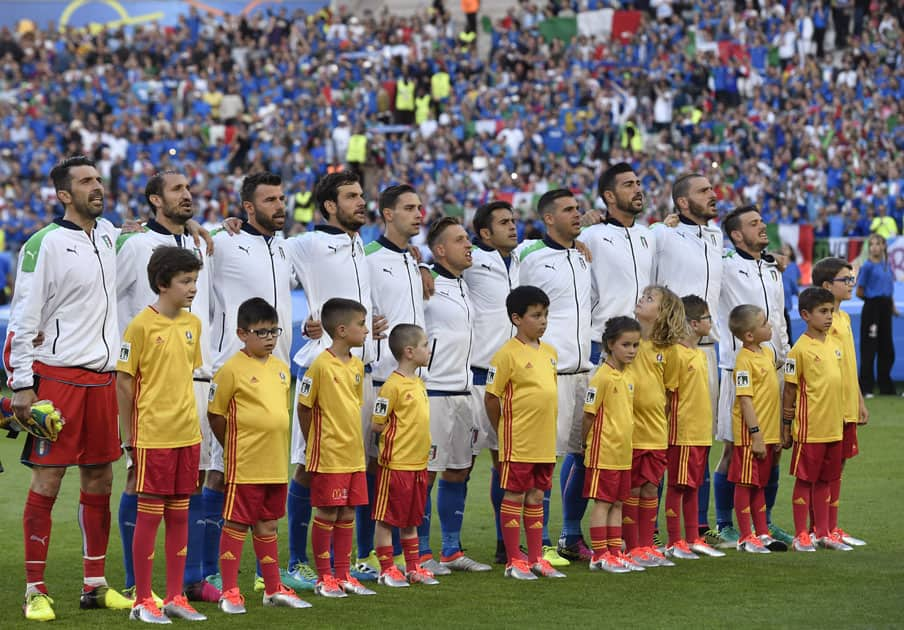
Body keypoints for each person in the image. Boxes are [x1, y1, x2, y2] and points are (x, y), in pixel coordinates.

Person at [5, 156, 131, 622]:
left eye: (97, 179)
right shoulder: (44, 244)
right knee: (48, 481)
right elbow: (23, 319)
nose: (96, 187)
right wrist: (21, 386)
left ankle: (94, 585)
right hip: (56, 380)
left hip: (101, 381)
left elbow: (140, 233)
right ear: (64, 195)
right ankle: (34, 590)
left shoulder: (107, 234)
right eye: (85, 182)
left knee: (101, 478)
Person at [115, 170, 219, 604]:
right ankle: (132, 580)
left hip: (197, 375)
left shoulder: (200, 242)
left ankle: (190, 580)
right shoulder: (134, 244)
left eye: (189, 188)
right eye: (177, 189)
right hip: (150, 383)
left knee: (192, 481)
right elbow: (105, 285)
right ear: (154, 200)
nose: (187, 195)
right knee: (138, 482)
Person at [286, 171, 385, 585]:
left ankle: (353, 562)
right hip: (321, 368)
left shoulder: (359, 242)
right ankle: (295, 562)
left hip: (358, 371)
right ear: (329, 205)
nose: (361, 202)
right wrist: (226, 226)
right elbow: (266, 251)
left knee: (356, 465)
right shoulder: (307, 244)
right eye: (351, 196)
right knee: (309, 465)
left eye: (361, 195)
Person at [209, 172, 303, 591]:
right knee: (219, 473)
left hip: (277, 375)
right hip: (234, 373)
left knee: (267, 481)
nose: (280, 205)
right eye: (270, 200)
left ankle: (269, 574)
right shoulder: (223, 241)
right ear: (248, 207)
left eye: (282, 198)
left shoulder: (284, 248)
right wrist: (207, 227)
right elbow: (176, 245)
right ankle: (207, 571)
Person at [116, 246, 206, 623]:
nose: (192, 289)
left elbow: (186, 377)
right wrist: (128, 438)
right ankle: (142, 599)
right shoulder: (139, 326)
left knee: (180, 516)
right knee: (150, 517)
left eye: (195, 281)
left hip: (188, 434)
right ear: (162, 283)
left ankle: (174, 597)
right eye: (186, 281)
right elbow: (124, 383)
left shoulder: (193, 324)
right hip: (153, 435)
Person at [208, 298, 311, 614]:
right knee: (237, 524)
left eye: (274, 331)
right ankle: (229, 591)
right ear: (242, 333)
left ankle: (272, 588)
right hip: (246, 465)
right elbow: (215, 415)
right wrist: (235, 446)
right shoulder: (230, 371)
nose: (269, 338)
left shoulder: (282, 369)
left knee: (268, 525)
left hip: (275, 465)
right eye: (261, 332)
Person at [577, 162, 656, 565]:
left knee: (630, 444)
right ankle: (574, 533)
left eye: (639, 183)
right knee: (587, 447)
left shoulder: (648, 236)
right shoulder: (589, 235)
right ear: (609, 196)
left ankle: (623, 541)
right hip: (600, 348)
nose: (638, 189)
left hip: (638, 352)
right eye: (628, 185)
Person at [516, 189, 593, 562]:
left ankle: (571, 535)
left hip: (584, 371)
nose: (576, 214)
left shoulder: (581, 257)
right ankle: (539, 542)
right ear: (548, 218)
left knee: (584, 456)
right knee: (544, 460)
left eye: (578, 208)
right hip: (551, 372)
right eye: (568, 210)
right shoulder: (529, 254)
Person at [711, 205, 790, 549]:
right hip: (738, 369)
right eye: (753, 223)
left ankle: (765, 521)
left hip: (774, 367)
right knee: (735, 450)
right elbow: (703, 249)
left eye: (762, 221)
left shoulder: (771, 268)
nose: (763, 226)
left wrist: (785, 357)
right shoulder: (725, 264)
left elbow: (780, 317)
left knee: (772, 451)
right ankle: (726, 523)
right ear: (736, 234)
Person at [358, 184, 426, 577]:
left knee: (410, 472)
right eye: (409, 208)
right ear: (387, 214)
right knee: (374, 468)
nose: (418, 214)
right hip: (381, 379)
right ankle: (368, 553)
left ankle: (406, 553)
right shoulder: (367, 258)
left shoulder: (414, 260)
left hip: (410, 379)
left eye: (419, 207)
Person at [652, 173, 723, 539]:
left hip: (708, 352)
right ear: (682, 202)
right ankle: (653, 530)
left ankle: (697, 527)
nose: (713, 195)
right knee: (662, 443)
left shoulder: (715, 236)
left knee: (700, 441)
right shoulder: (662, 235)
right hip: (671, 350)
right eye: (704, 191)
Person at [420, 217, 491, 573]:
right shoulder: (424, 284)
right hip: (433, 391)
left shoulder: (466, 284)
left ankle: (451, 549)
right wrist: (420, 265)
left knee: (459, 470)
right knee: (427, 473)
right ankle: (419, 552)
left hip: (465, 391)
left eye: (469, 239)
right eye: (461, 240)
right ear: (439, 250)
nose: (469, 245)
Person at [296, 298, 376, 597]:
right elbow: (305, 407)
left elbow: (353, 406)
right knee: (328, 514)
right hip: (328, 454)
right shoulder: (319, 365)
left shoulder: (356, 365)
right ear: (342, 330)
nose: (366, 330)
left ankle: (343, 575)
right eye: (361, 324)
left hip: (353, 453)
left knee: (347, 515)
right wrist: (313, 441)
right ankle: (325, 577)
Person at [484, 285, 565, 580]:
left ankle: (535, 559)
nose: (543, 321)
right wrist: (504, 429)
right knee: (515, 496)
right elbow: (491, 398)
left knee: (536, 496)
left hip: (545, 440)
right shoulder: (505, 355)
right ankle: (514, 560)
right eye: (536, 315)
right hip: (518, 441)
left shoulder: (551, 352)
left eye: (545, 315)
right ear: (517, 319)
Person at [781, 287, 851, 552]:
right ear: (805, 315)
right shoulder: (798, 350)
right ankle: (801, 534)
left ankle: (822, 532)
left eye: (831, 311)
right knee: (805, 481)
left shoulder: (834, 345)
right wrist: (786, 426)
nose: (829, 317)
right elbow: (789, 391)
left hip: (834, 428)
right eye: (823, 312)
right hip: (810, 429)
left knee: (825, 481)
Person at [369, 323, 439, 587]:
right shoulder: (392, 386)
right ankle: (387, 569)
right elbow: (377, 422)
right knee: (387, 519)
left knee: (412, 519)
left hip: (418, 464)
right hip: (396, 464)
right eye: (424, 345)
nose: (428, 350)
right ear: (409, 352)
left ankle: (412, 567)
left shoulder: (419, 382)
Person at [624, 286, 684, 567]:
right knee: (632, 490)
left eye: (649, 299)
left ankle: (647, 544)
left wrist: (659, 419)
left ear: (662, 313)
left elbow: (670, 392)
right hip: (628, 432)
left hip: (655, 433)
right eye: (643, 296)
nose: (641, 299)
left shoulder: (669, 351)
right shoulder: (626, 342)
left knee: (650, 488)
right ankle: (631, 546)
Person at [812, 257, 868, 546]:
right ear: (826, 285)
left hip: (847, 405)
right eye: (845, 280)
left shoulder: (844, 318)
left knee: (839, 467)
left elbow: (848, 364)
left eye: (851, 279)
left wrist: (858, 399)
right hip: (829, 408)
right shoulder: (825, 322)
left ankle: (830, 527)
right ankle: (818, 529)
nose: (850, 284)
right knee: (824, 470)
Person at [664, 296, 725, 560]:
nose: (711, 323)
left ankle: (692, 538)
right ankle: (674, 540)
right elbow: (668, 395)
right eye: (708, 318)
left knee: (693, 486)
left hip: (700, 432)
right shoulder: (676, 353)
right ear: (694, 323)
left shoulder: (699, 354)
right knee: (678, 486)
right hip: (683, 432)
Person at [582, 316, 641, 574]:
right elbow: (588, 414)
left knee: (618, 503)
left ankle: (615, 551)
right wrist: (586, 443)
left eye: (635, 345)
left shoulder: (628, 376)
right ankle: (599, 555)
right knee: (603, 503)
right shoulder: (601, 377)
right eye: (626, 345)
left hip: (622, 453)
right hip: (603, 452)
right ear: (609, 345)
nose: (632, 351)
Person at [727, 305, 784, 553]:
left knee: (759, 484)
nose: (769, 326)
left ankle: (763, 533)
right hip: (752, 436)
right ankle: (746, 536)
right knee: (745, 483)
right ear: (749, 335)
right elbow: (745, 400)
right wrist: (756, 434)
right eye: (764, 323)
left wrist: (778, 431)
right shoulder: (743, 361)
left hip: (770, 433)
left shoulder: (767, 353)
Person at [856, 234, 897, 396]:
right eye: (871, 244)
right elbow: (859, 291)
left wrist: (891, 307)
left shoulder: (887, 264)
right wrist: (874, 302)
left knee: (887, 349)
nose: (874, 247)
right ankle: (866, 388)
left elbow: (888, 289)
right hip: (872, 307)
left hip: (886, 308)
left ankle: (886, 387)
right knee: (869, 348)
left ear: (884, 246)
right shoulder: (867, 266)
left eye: (877, 244)